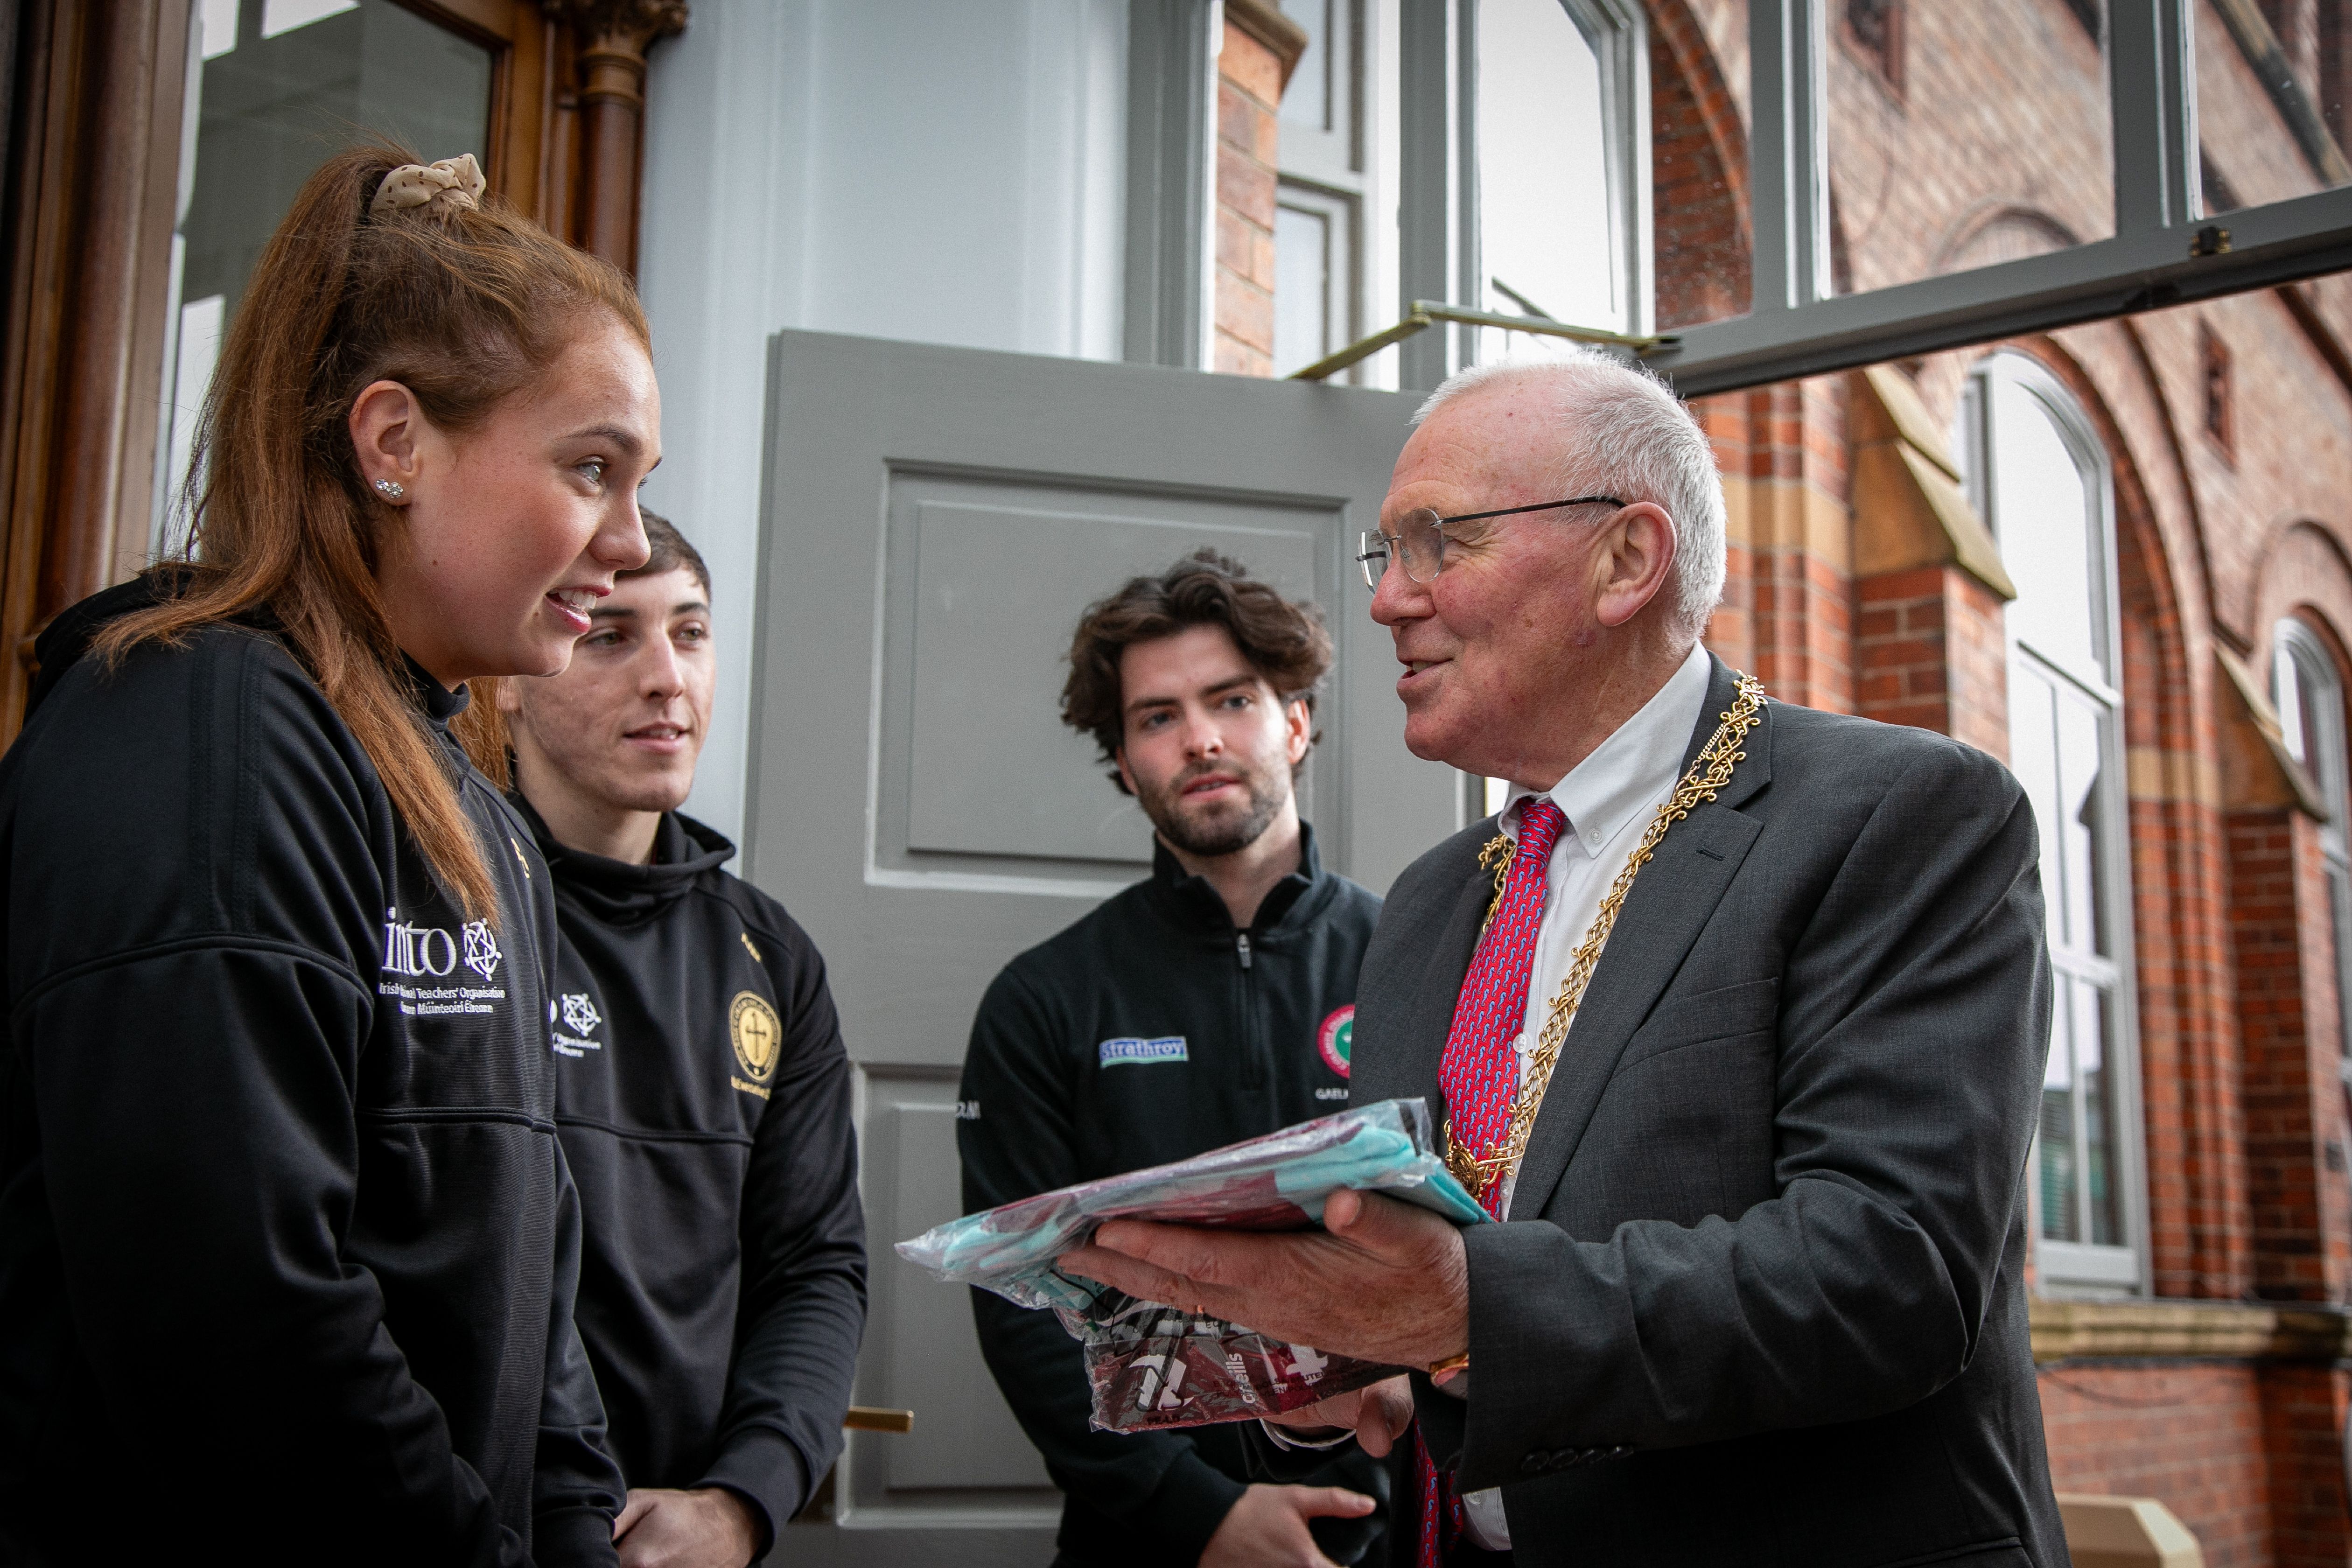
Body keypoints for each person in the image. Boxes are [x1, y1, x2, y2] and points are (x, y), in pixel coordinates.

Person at [1062, 354, 2065, 1566]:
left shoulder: (1897, 817)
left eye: (1442, 543)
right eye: (1392, 554)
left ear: (1627, 561)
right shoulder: (1436, 900)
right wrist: (1344, 1369)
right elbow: (1436, 1279)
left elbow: (1889, 1275)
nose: (1388, 601)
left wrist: (1465, 1316)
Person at [0, 147, 656, 1565]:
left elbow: (534, 1312)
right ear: (394, 442)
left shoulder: (477, 809)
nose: (632, 541)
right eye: (592, 467)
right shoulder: (199, 728)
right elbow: (239, 1324)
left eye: (642, 480)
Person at [959, 551, 1393, 1568]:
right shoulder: (1045, 999)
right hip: (1141, 1537)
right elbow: (1018, 1299)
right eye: (1157, 717)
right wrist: (1194, 1515)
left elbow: (1485, 1248)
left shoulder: (1419, 964)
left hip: (1385, 1517)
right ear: (1123, 761)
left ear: (1294, 722)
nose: (1199, 738)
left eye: (1232, 700)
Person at [498, 511, 866, 1568]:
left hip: (683, 1535)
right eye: (611, 634)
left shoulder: (772, 957)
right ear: (512, 674)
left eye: (692, 633)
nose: (669, 677)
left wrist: (744, 1502)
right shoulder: (441, 915)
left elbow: (816, 1267)